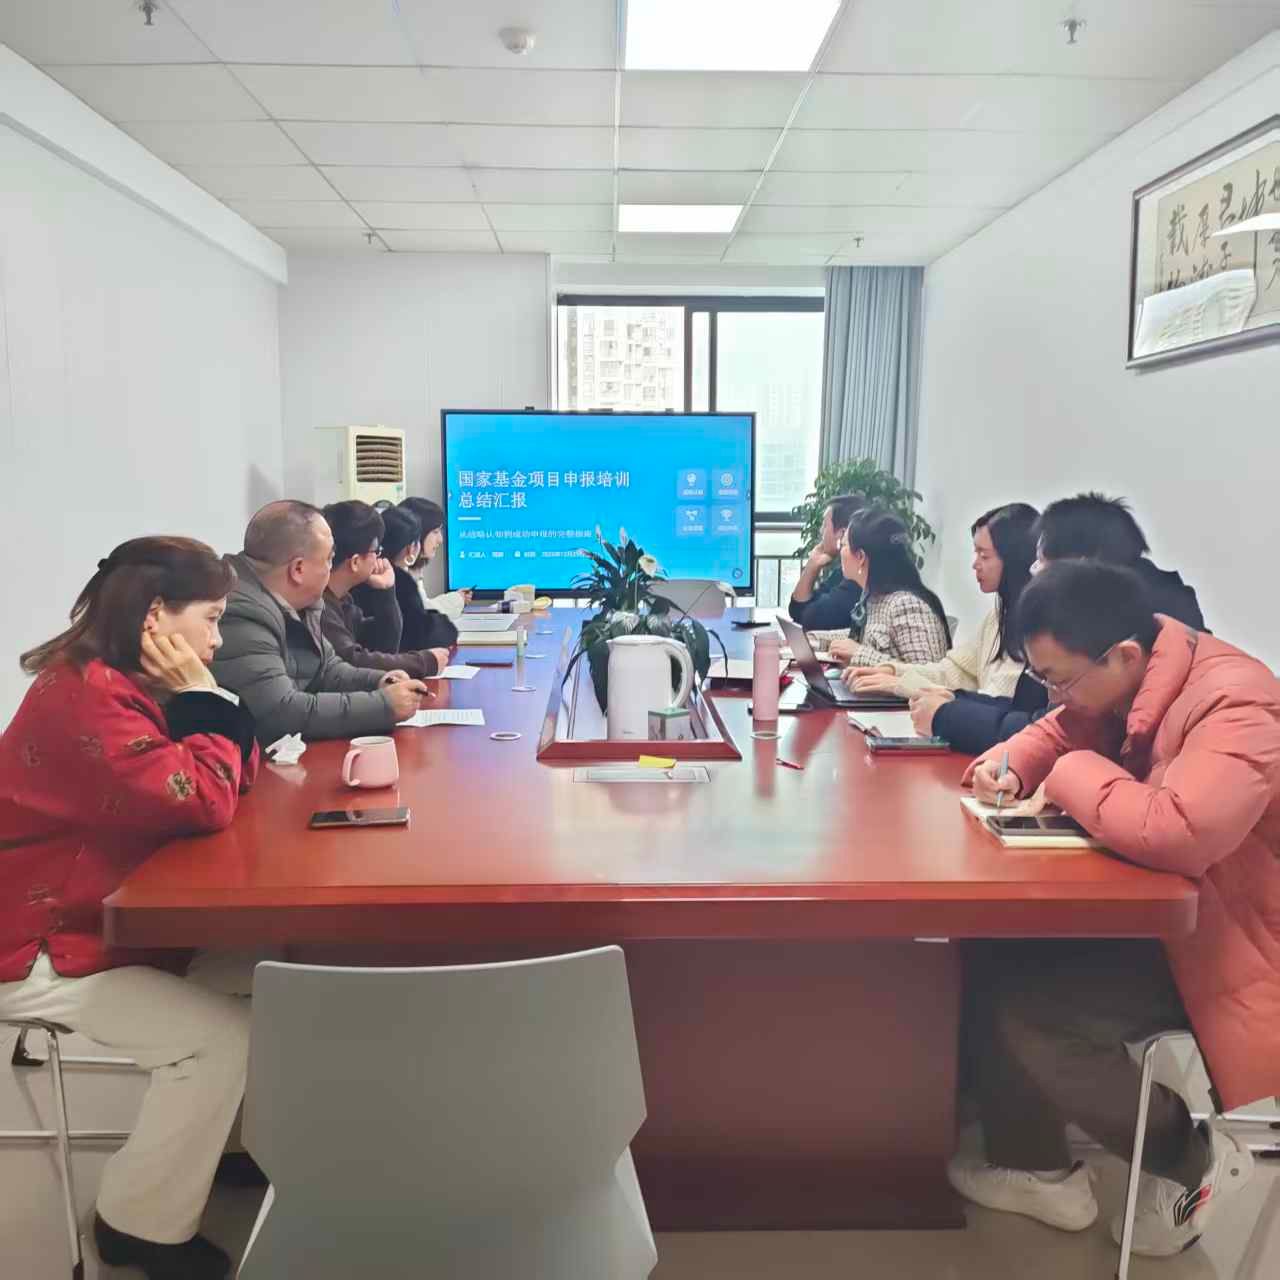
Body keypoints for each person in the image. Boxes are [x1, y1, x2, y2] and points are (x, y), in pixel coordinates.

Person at [952, 560, 1277, 1259]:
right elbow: (1062, 728)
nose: (1053, 695)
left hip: (1241, 947)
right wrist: (1010, 762)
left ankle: (1188, 1158)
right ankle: (1037, 1168)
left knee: (1035, 1011)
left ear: (1124, 656)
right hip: (1181, 922)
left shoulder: (1237, 701)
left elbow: (1180, 831)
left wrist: (1067, 776)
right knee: (995, 948)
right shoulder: (1133, 677)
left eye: (1059, 679)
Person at [0, 538, 259, 1280]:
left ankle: (216, 1146)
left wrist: (206, 707)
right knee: (220, 1038)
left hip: (97, 911)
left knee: (258, 969)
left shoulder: (119, 682)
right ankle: (134, 1227)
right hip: (35, 943)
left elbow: (226, 778)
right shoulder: (88, 699)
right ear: (155, 616)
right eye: (211, 618)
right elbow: (205, 797)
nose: (216, 640)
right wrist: (207, 699)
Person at [933, 494, 1208, 755]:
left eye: (1042, 561)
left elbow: (1056, 729)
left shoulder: (1111, 622)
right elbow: (1040, 718)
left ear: (1079, 568)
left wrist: (946, 715)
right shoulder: (1137, 603)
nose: (1034, 571)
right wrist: (954, 703)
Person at [213, 501, 430, 743]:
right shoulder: (241, 612)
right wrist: (383, 705)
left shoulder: (300, 601)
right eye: (329, 559)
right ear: (298, 569)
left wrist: (380, 680)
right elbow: (281, 712)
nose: (331, 568)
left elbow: (328, 669)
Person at [843, 503, 1038, 730]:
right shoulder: (999, 612)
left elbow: (995, 704)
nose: (974, 564)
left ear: (1014, 559)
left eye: (984, 555)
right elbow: (955, 670)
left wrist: (900, 682)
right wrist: (894, 672)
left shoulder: (1034, 624)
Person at [320, 500, 450, 679]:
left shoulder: (344, 600)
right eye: (376, 551)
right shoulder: (319, 605)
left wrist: (386, 592)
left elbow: (383, 647)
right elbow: (353, 661)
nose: (379, 558)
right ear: (355, 562)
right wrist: (423, 662)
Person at [825, 509, 951, 674]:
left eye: (844, 545)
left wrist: (859, 654)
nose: (840, 552)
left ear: (861, 556)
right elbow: (857, 637)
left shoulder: (907, 605)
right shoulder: (874, 597)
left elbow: (929, 676)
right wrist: (811, 639)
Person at [353, 505, 458, 652]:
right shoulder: (401, 582)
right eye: (435, 532)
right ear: (411, 548)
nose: (440, 539)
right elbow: (424, 636)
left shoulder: (359, 576)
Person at [788, 493, 868, 631]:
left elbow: (809, 618)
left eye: (825, 525)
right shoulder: (841, 572)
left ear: (842, 534)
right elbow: (797, 610)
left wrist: (812, 567)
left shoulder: (858, 576)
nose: (821, 531)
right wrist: (812, 566)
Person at [400, 496, 471, 620]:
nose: (440, 540)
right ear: (418, 533)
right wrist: (457, 599)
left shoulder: (412, 568)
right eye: (435, 532)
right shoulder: (399, 572)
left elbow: (424, 606)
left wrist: (458, 598)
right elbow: (424, 614)